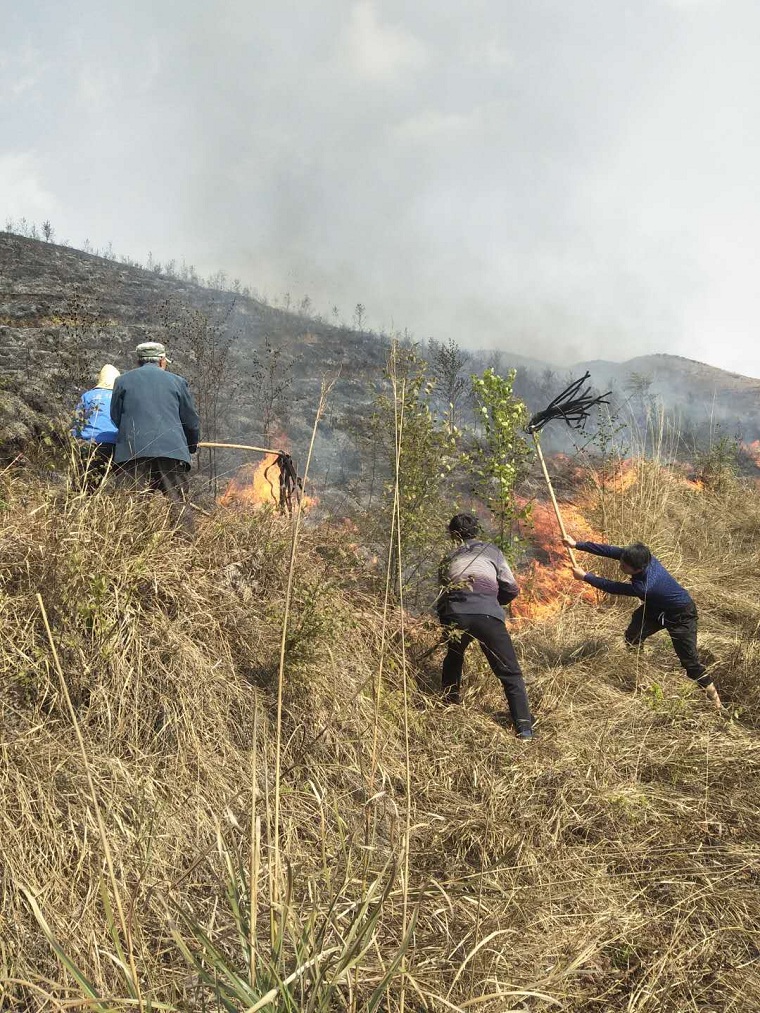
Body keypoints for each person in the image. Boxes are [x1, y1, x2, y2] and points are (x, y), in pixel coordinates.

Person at [564, 536, 722, 709]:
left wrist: (586, 577)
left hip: (681, 615)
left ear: (638, 569)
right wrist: (577, 545)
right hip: (656, 607)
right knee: (633, 635)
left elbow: (614, 587)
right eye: (622, 560)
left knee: (689, 662)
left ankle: (716, 702)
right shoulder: (641, 557)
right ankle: (638, 670)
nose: (620, 565)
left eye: (624, 566)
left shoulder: (645, 586)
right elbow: (609, 551)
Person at [436, 514, 534, 739]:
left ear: (452, 534)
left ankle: (448, 707)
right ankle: (524, 729)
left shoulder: (448, 557)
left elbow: (442, 596)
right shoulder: (492, 551)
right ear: (477, 531)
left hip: (455, 615)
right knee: (510, 673)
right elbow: (511, 587)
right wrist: (492, 603)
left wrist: (445, 621)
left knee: (453, 659)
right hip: (488, 616)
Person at [110, 341, 200, 520]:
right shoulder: (178, 382)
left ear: (139, 361)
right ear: (161, 361)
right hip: (172, 451)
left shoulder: (122, 381)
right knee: (178, 504)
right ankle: (183, 546)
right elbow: (191, 421)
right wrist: (190, 446)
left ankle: (130, 545)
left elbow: (115, 417)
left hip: (133, 451)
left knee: (130, 506)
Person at [71, 364, 120, 487]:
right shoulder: (119, 397)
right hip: (116, 444)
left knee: (86, 482)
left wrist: (75, 439)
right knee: (117, 482)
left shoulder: (88, 396)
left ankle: (82, 502)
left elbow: (78, 421)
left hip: (90, 443)